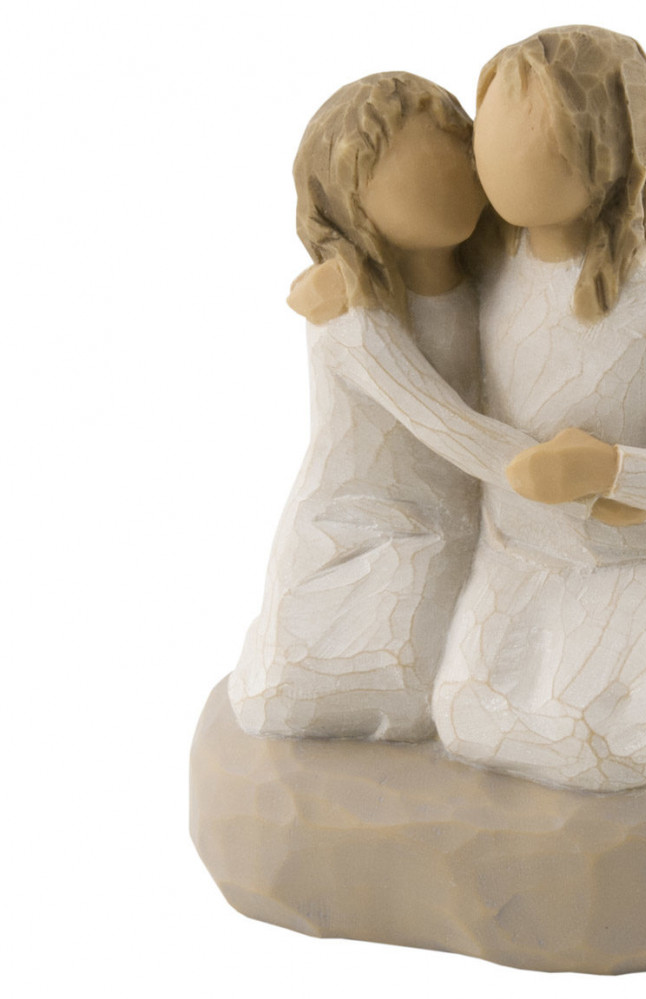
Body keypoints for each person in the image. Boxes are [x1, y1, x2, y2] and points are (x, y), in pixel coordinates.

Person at [427, 26, 646, 791]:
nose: (494, 153)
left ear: (608, 153)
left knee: (598, 750)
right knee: (463, 723)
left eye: (529, 132)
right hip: (517, 558)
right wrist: (349, 277)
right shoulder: (490, 267)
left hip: (627, 567)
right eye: (492, 128)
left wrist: (611, 470)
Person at [228, 72, 536, 740]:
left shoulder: (492, 282)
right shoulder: (354, 315)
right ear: (351, 198)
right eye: (421, 158)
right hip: (373, 533)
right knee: (426, 685)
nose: (457, 168)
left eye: (460, 144)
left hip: (469, 517)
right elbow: (443, 423)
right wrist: (565, 476)